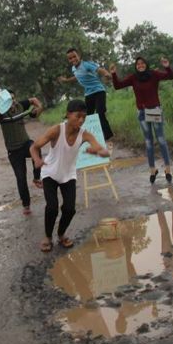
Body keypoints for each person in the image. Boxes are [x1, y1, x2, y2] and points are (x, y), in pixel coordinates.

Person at [30, 100, 110, 252]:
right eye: (78, 116)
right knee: (52, 207)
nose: (81, 120)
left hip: (68, 175)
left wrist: (100, 151)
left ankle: (61, 234)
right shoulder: (56, 130)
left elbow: (100, 148)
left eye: (84, 117)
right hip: (50, 173)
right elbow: (34, 147)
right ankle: (47, 237)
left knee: (69, 209)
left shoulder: (84, 134)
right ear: (68, 114)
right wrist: (37, 160)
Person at [110, 56, 173, 184]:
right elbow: (118, 86)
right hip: (142, 113)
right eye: (138, 64)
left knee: (161, 140)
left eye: (142, 63)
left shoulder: (154, 74)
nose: (140, 65)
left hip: (155, 111)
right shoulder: (133, 78)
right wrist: (113, 74)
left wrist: (167, 66)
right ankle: (152, 170)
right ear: (136, 66)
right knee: (148, 143)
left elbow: (170, 76)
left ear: (146, 64)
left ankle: (167, 169)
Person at [0, 91, 44, 216]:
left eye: (13, 98)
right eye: (8, 99)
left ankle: (37, 178)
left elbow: (33, 100)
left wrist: (39, 107)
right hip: (13, 150)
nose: (12, 101)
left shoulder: (20, 106)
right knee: (21, 178)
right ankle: (26, 205)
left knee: (35, 147)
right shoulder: (1, 113)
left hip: (26, 143)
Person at [58, 48, 114, 142]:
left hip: (99, 91)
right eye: (70, 58)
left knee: (100, 113)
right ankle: (89, 136)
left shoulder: (86, 64)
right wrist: (66, 80)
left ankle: (108, 136)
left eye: (74, 56)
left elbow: (99, 69)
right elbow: (77, 77)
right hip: (88, 94)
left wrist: (107, 74)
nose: (73, 59)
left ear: (79, 56)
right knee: (87, 116)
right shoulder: (74, 69)